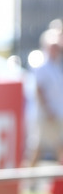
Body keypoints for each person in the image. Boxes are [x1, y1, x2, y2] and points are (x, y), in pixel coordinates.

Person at [29, 27, 63, 166]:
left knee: (52, 146)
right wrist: (48, 109)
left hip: (57, 113)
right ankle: (28, 178)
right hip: (47, 114)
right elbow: (39, 90)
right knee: (40, 146)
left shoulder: (56, 66)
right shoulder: (42, 66)